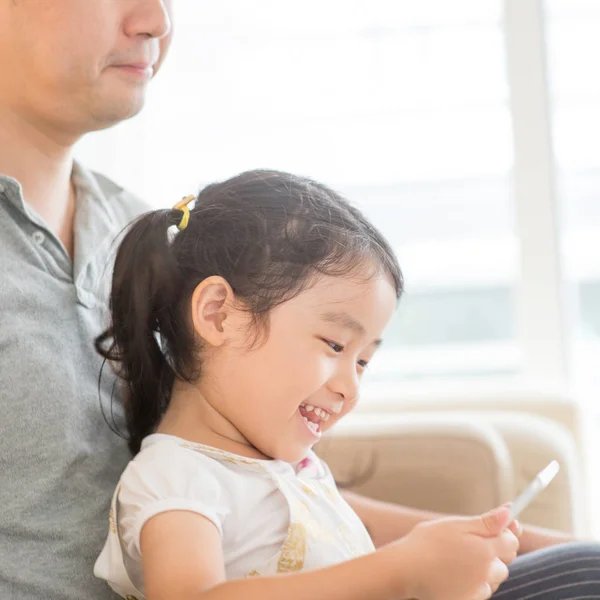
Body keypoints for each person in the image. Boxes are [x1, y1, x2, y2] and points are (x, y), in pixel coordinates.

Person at [0, 1, 598, 599]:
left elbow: (270, 503)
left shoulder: (148, 235)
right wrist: (403, 569)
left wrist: (503, 546)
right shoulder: (171, 482)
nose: (156, 20)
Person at [93, 169, 520, 600]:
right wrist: (400, 570)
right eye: (335, 345)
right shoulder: (178, 476)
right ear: (219, 313)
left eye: (364, 362)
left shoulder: (295, 473)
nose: (351, 390)